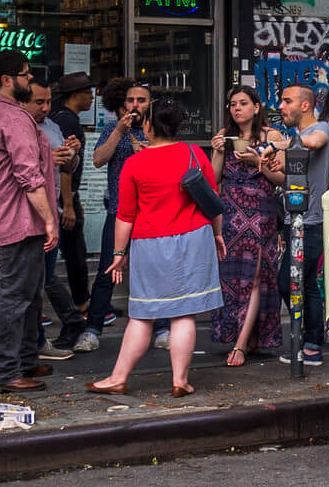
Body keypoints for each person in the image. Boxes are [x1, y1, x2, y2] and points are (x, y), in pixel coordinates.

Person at [90, 100, 225, 397]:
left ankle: (118, 377)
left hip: (150, 244)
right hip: (194, 239)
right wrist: (217, 235)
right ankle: (180, 381)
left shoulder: (135, 164)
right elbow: (212, 200)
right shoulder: (194, 154)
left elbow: (125, 215)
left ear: (148, 125)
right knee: (184, 314)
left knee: (142, 315)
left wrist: (118, 254)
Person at [0, 50, 60, 391]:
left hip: (1, 216)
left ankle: (24, 358)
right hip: (17, 219)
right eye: (25, 75)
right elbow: (29, 176)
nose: (30, 80)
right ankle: (6, 370)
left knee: (26, 293)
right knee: (13, 295)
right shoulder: (13, 118)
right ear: (8, 80)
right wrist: (50, 220)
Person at [209, 84, 284, 365]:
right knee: (233, 278)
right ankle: (248, 336)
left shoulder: (271, 136)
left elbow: (283, 179)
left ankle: (240, 345)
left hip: (260, 214)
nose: (236, 108)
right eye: (232, 104)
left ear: (256, 107)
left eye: (242, 103)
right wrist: (217, 152)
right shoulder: (223, 137)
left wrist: (259, 162)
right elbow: (213, 179)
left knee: (255, 277)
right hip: (229, 213)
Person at [82, 77, 152, 345]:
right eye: (130, 100)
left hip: (150, 212)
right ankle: (93, 330)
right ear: (122, 104)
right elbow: (98, 160)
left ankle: (160, 329)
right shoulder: (114, 127)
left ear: (149, 104)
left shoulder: (156, 130)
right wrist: (119, 133)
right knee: (107, 270)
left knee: (151, 270)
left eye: (141, 100)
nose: (135, 105)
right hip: (118, 210)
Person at [272, 83, 329, 366]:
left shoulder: (321, 128)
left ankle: (309, 339)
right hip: (293, 219)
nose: (281, 107)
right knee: (306, 284)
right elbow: (285, 174)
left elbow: (315, 142)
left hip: (310, 222)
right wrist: (264, 161)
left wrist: (278, 144)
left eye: (287, 102)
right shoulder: (298, 136)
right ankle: (311, 344)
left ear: (305, 105)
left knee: (288, 282)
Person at [26, 76, 87, 354]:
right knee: (33, 281)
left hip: (52, 211)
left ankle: (45, 336)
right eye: (39, 102)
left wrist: (71, 154)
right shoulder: (19, 128)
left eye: (49, 101)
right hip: (26, 215)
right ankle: (40, 337)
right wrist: (49, 159)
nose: (46, 107)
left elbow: (67, 168)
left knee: (45, 276)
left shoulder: (52, 126)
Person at [49, 72, 95, 309]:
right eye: (88, 93)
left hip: (65, 196)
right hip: (64, 197)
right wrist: (67, 204)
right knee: (75, 253)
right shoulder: (68, 121)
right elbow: (65, 166)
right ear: (75, 95)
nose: (91, 98)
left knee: (73, 250)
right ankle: (81, 305)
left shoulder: (62, 118)